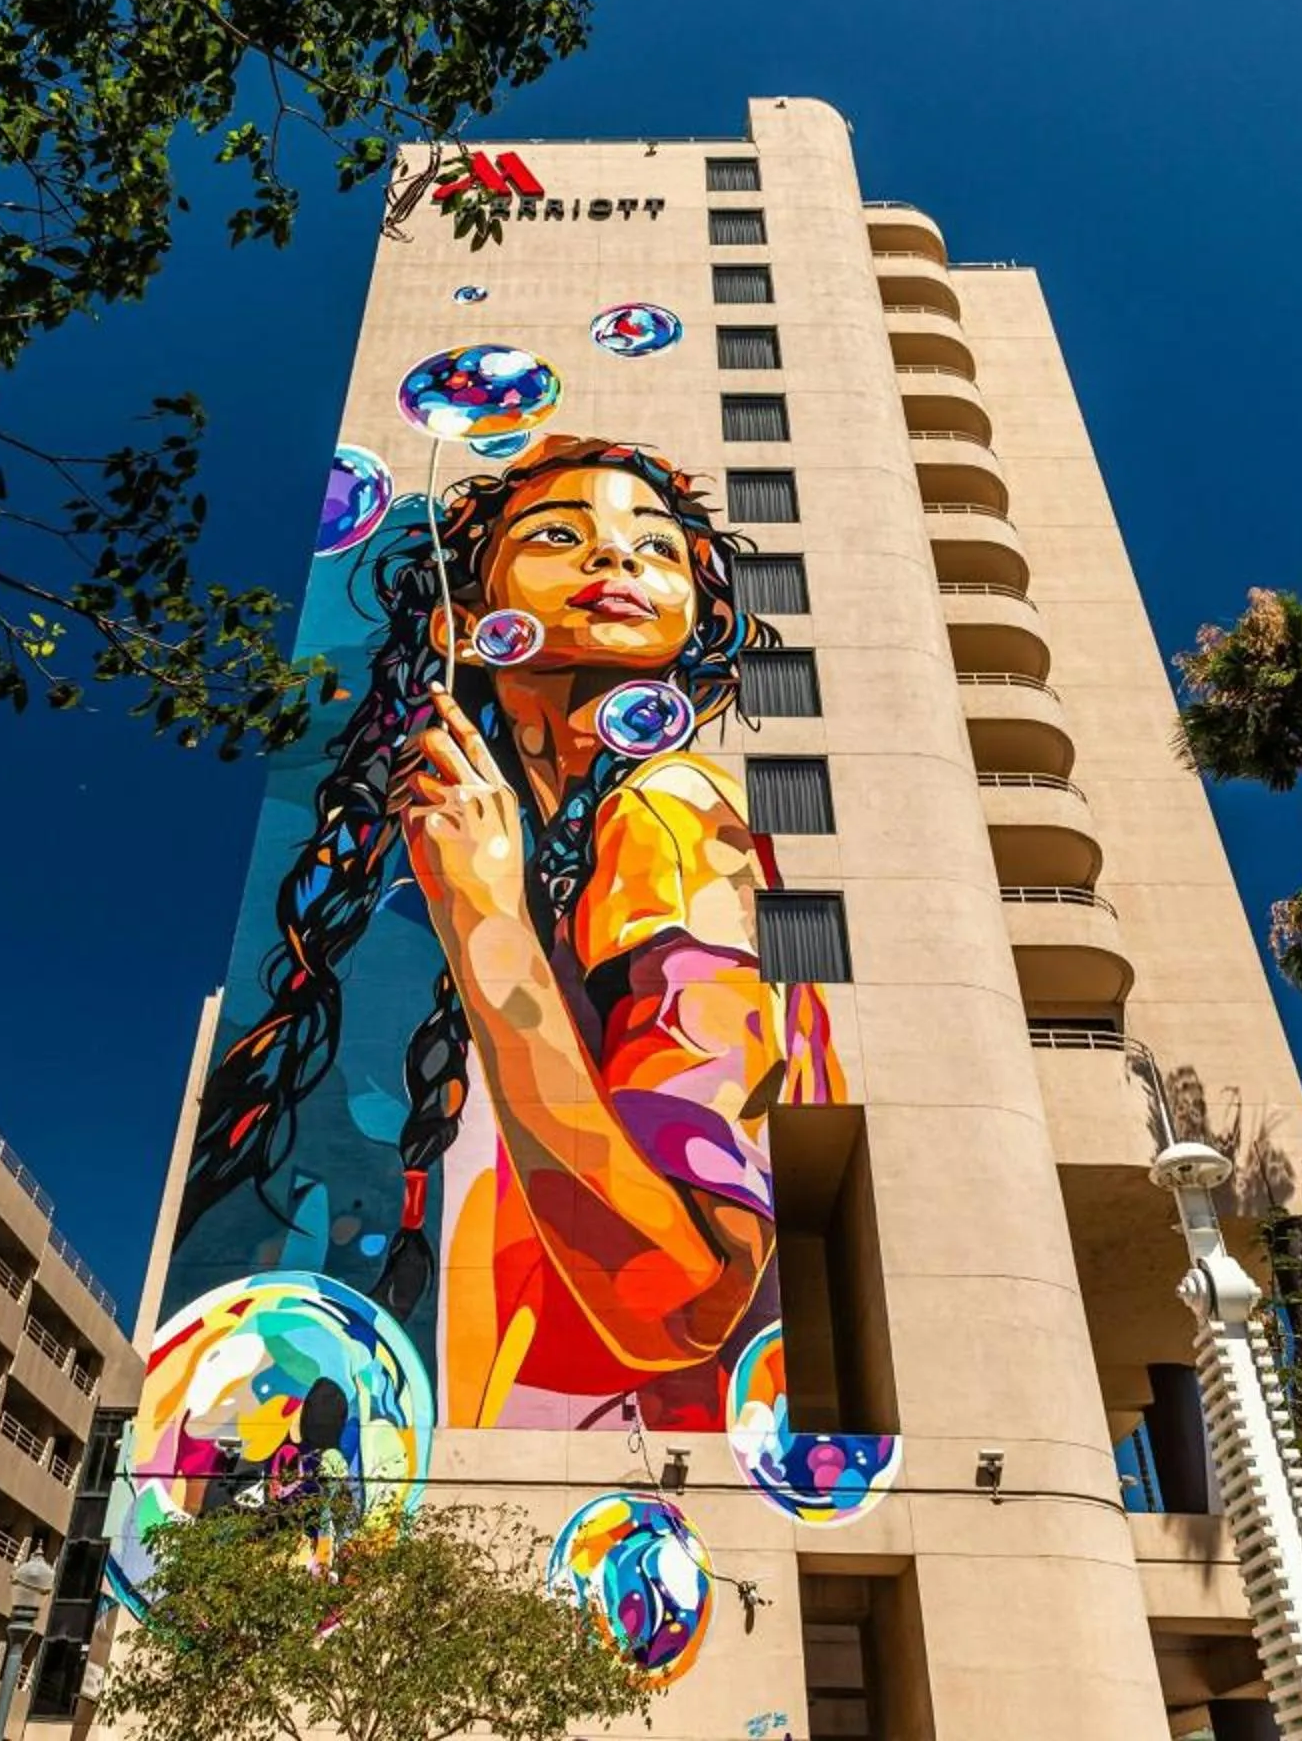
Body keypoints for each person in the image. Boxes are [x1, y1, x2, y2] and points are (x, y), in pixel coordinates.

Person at [181, 436, 843, 1431]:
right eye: (558, 534)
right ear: (466, 619)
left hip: (672, 1446)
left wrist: (485, 918)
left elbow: (678, 1287)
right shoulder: (538, 854)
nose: (617, 559)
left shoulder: (673, 810)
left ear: (698, 621)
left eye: (655, 548)